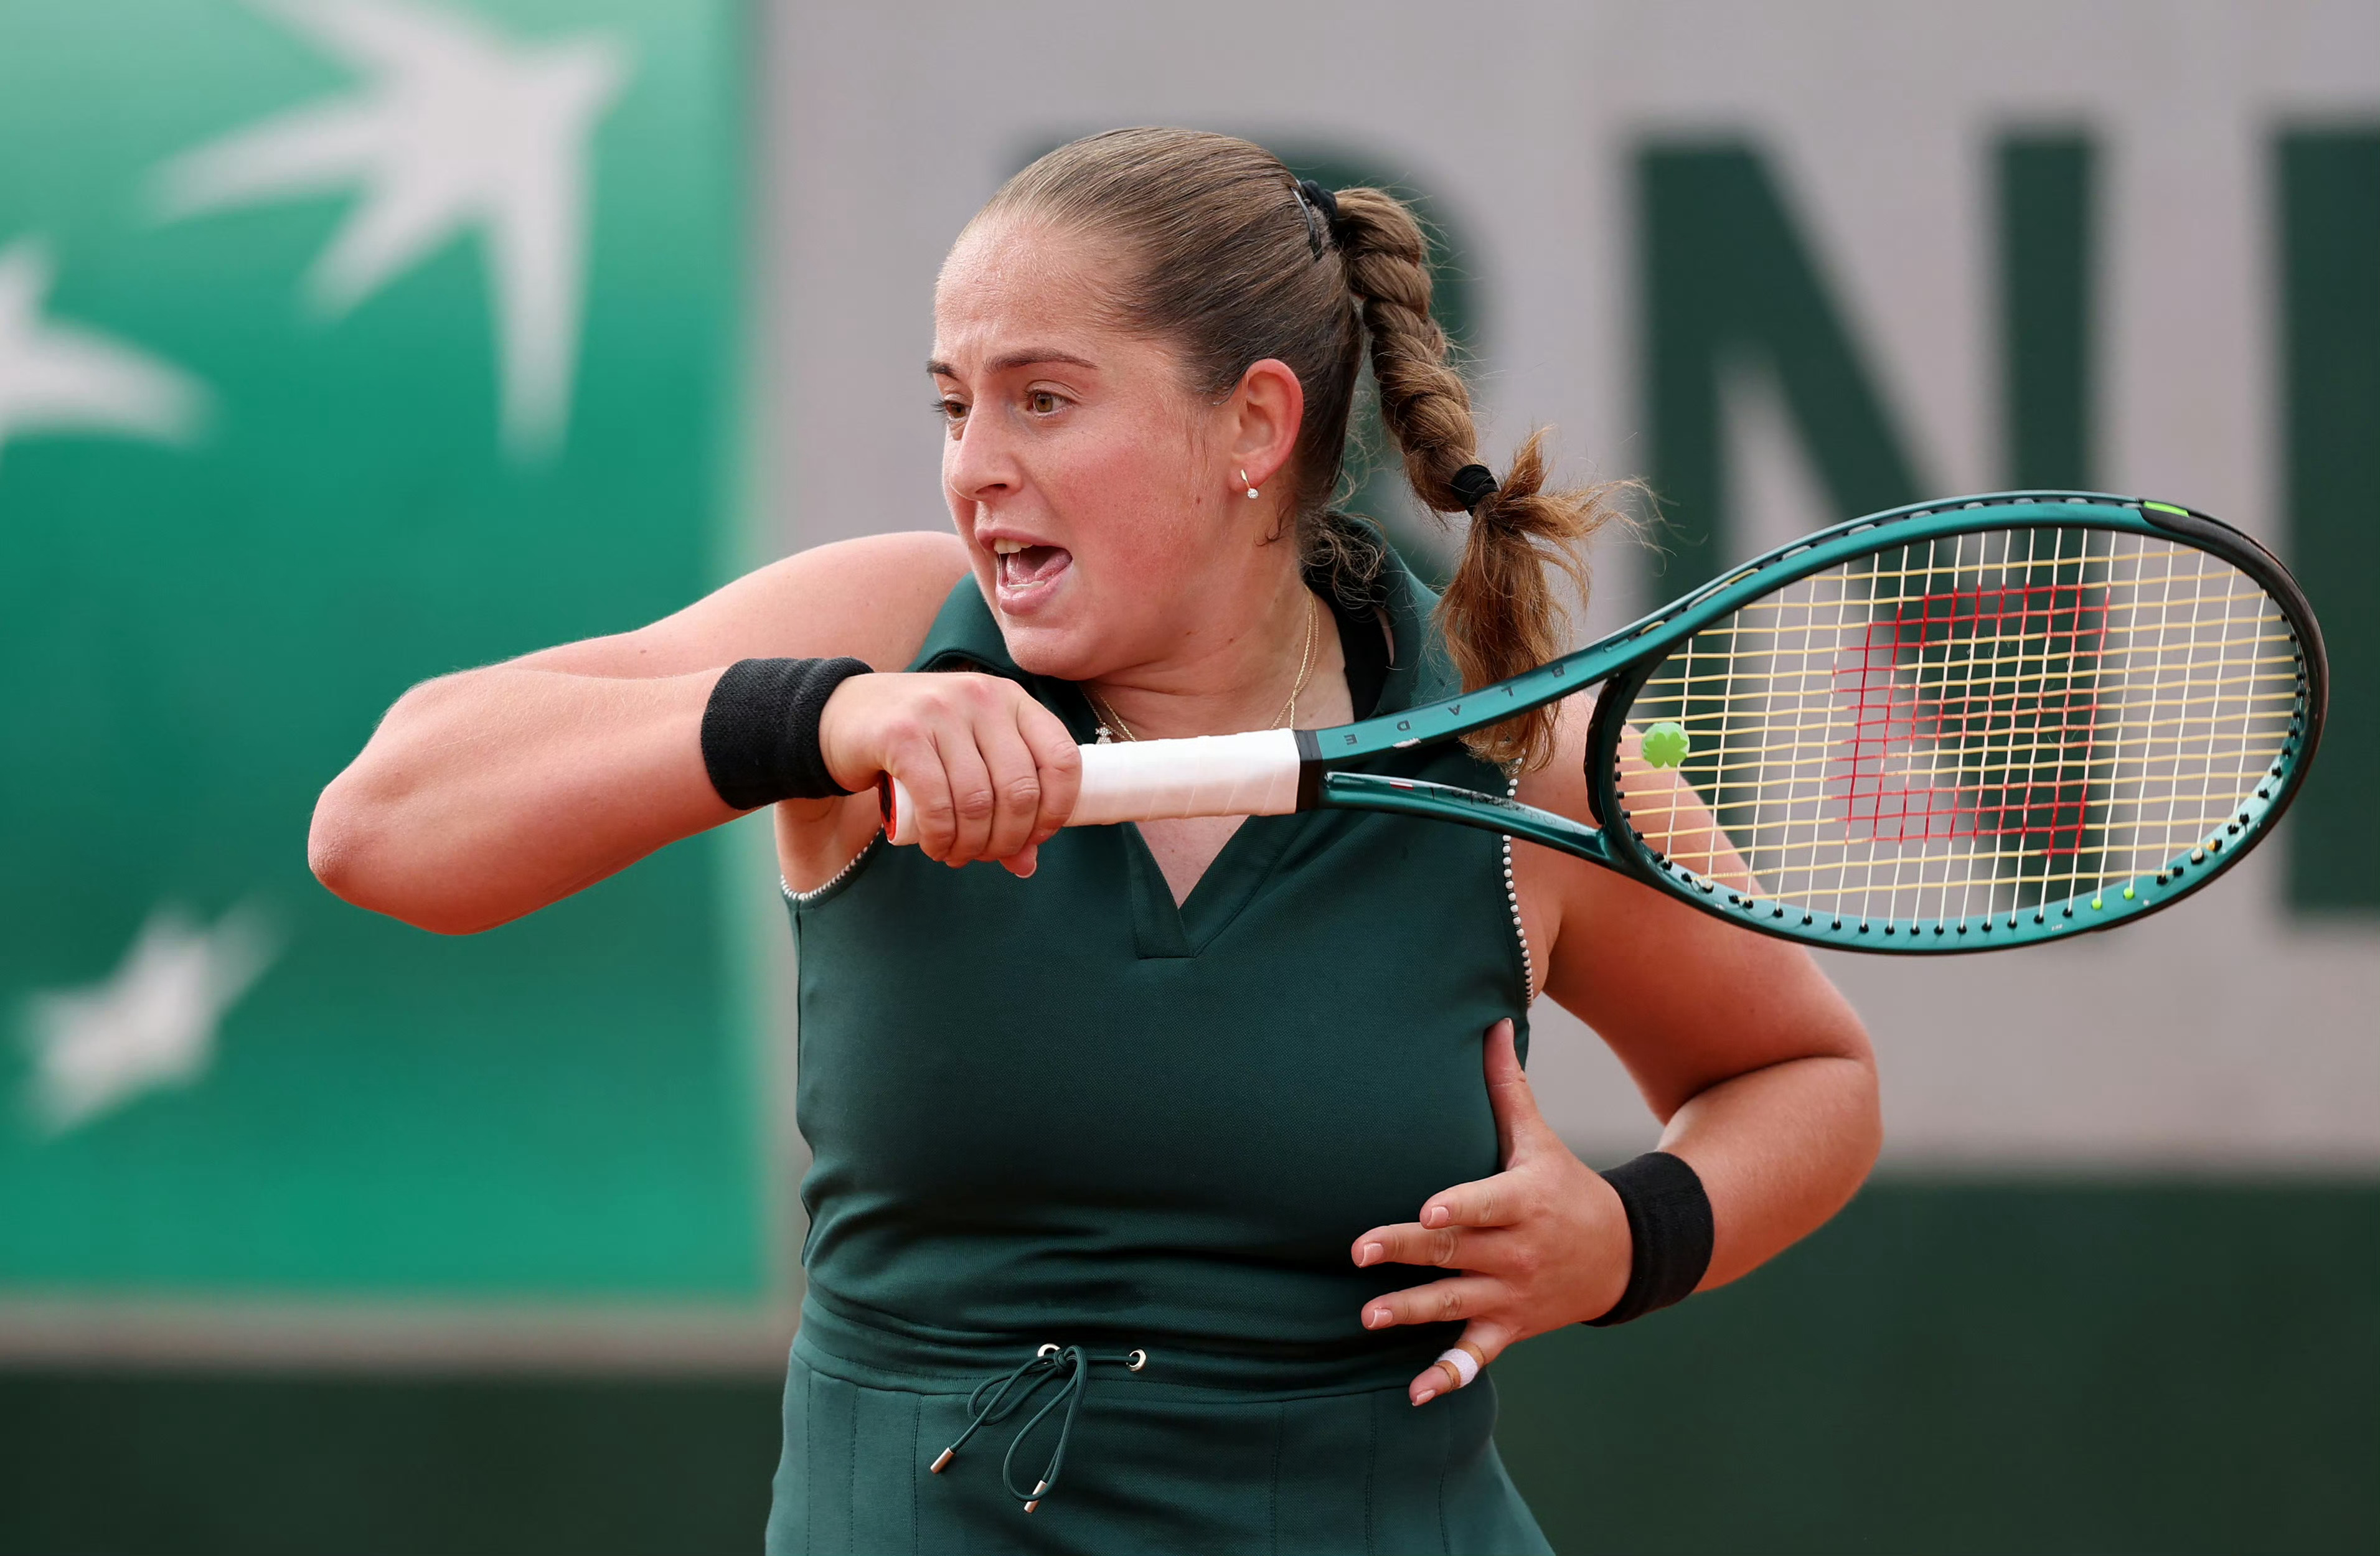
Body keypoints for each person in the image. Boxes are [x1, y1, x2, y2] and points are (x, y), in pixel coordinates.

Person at [310, 127, 1879, 1555]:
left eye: (1043, 400)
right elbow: (381, 824)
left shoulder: (1514, 752)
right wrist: (815, 718)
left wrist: (1626, 1237)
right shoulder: (883, 631)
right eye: (954, 403)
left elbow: (1804, 1074)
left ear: (1251, 423)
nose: (975, 463)